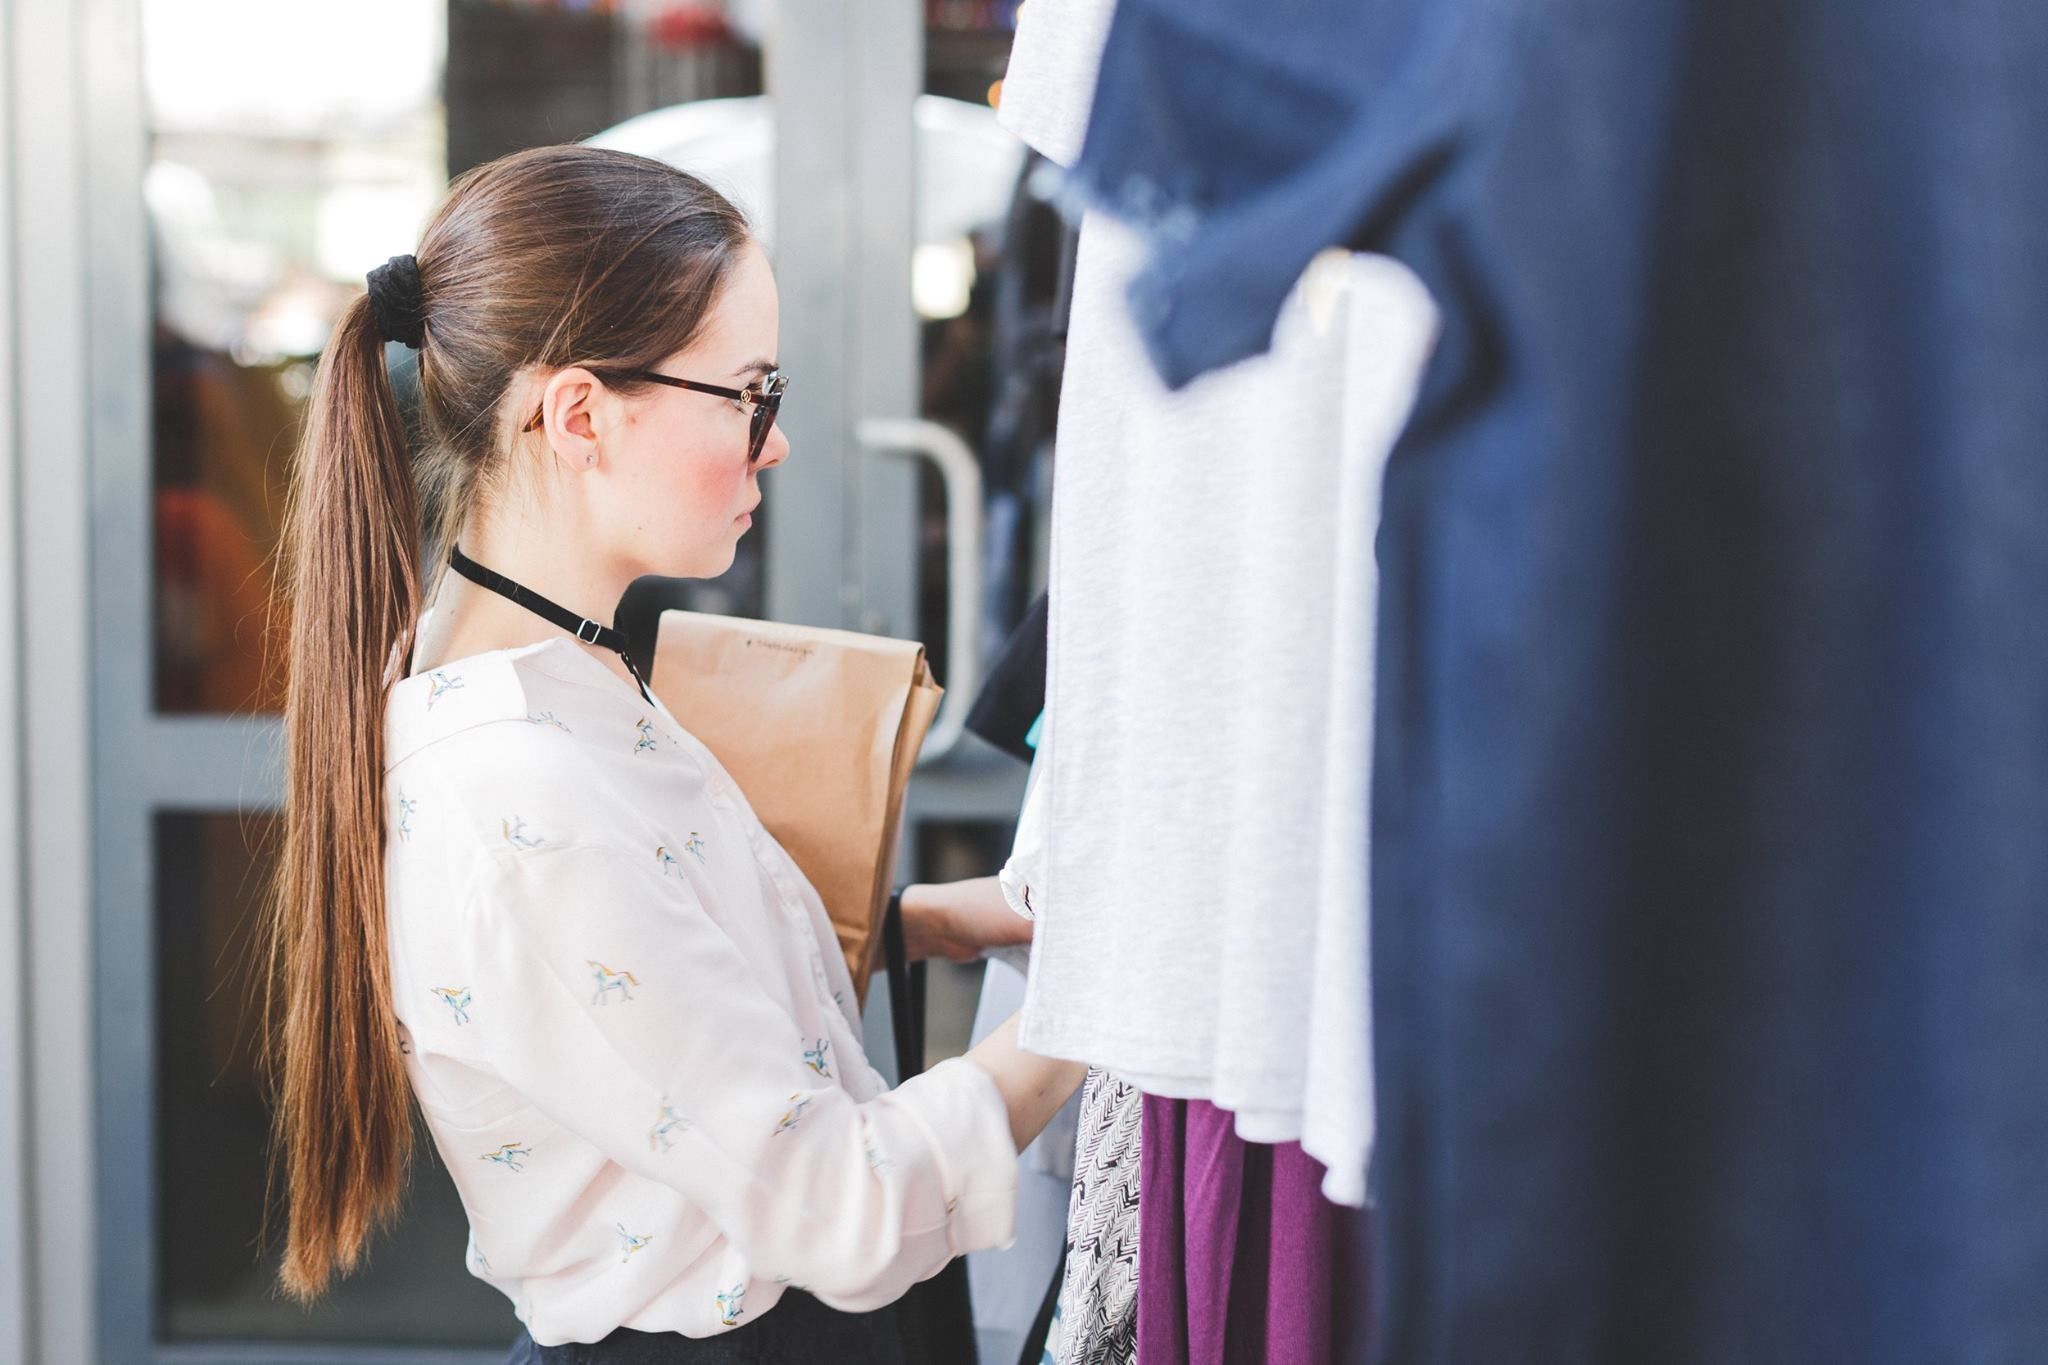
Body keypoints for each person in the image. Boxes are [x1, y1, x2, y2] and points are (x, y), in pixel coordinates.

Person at [266, 143, 1084, 1364]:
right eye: (748, 392)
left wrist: (919, 920)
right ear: (580, 414)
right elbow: (841, 1207)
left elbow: (645, 976)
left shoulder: (543, 671)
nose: (775, 441)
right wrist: (1100, 996)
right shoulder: (515, 788)